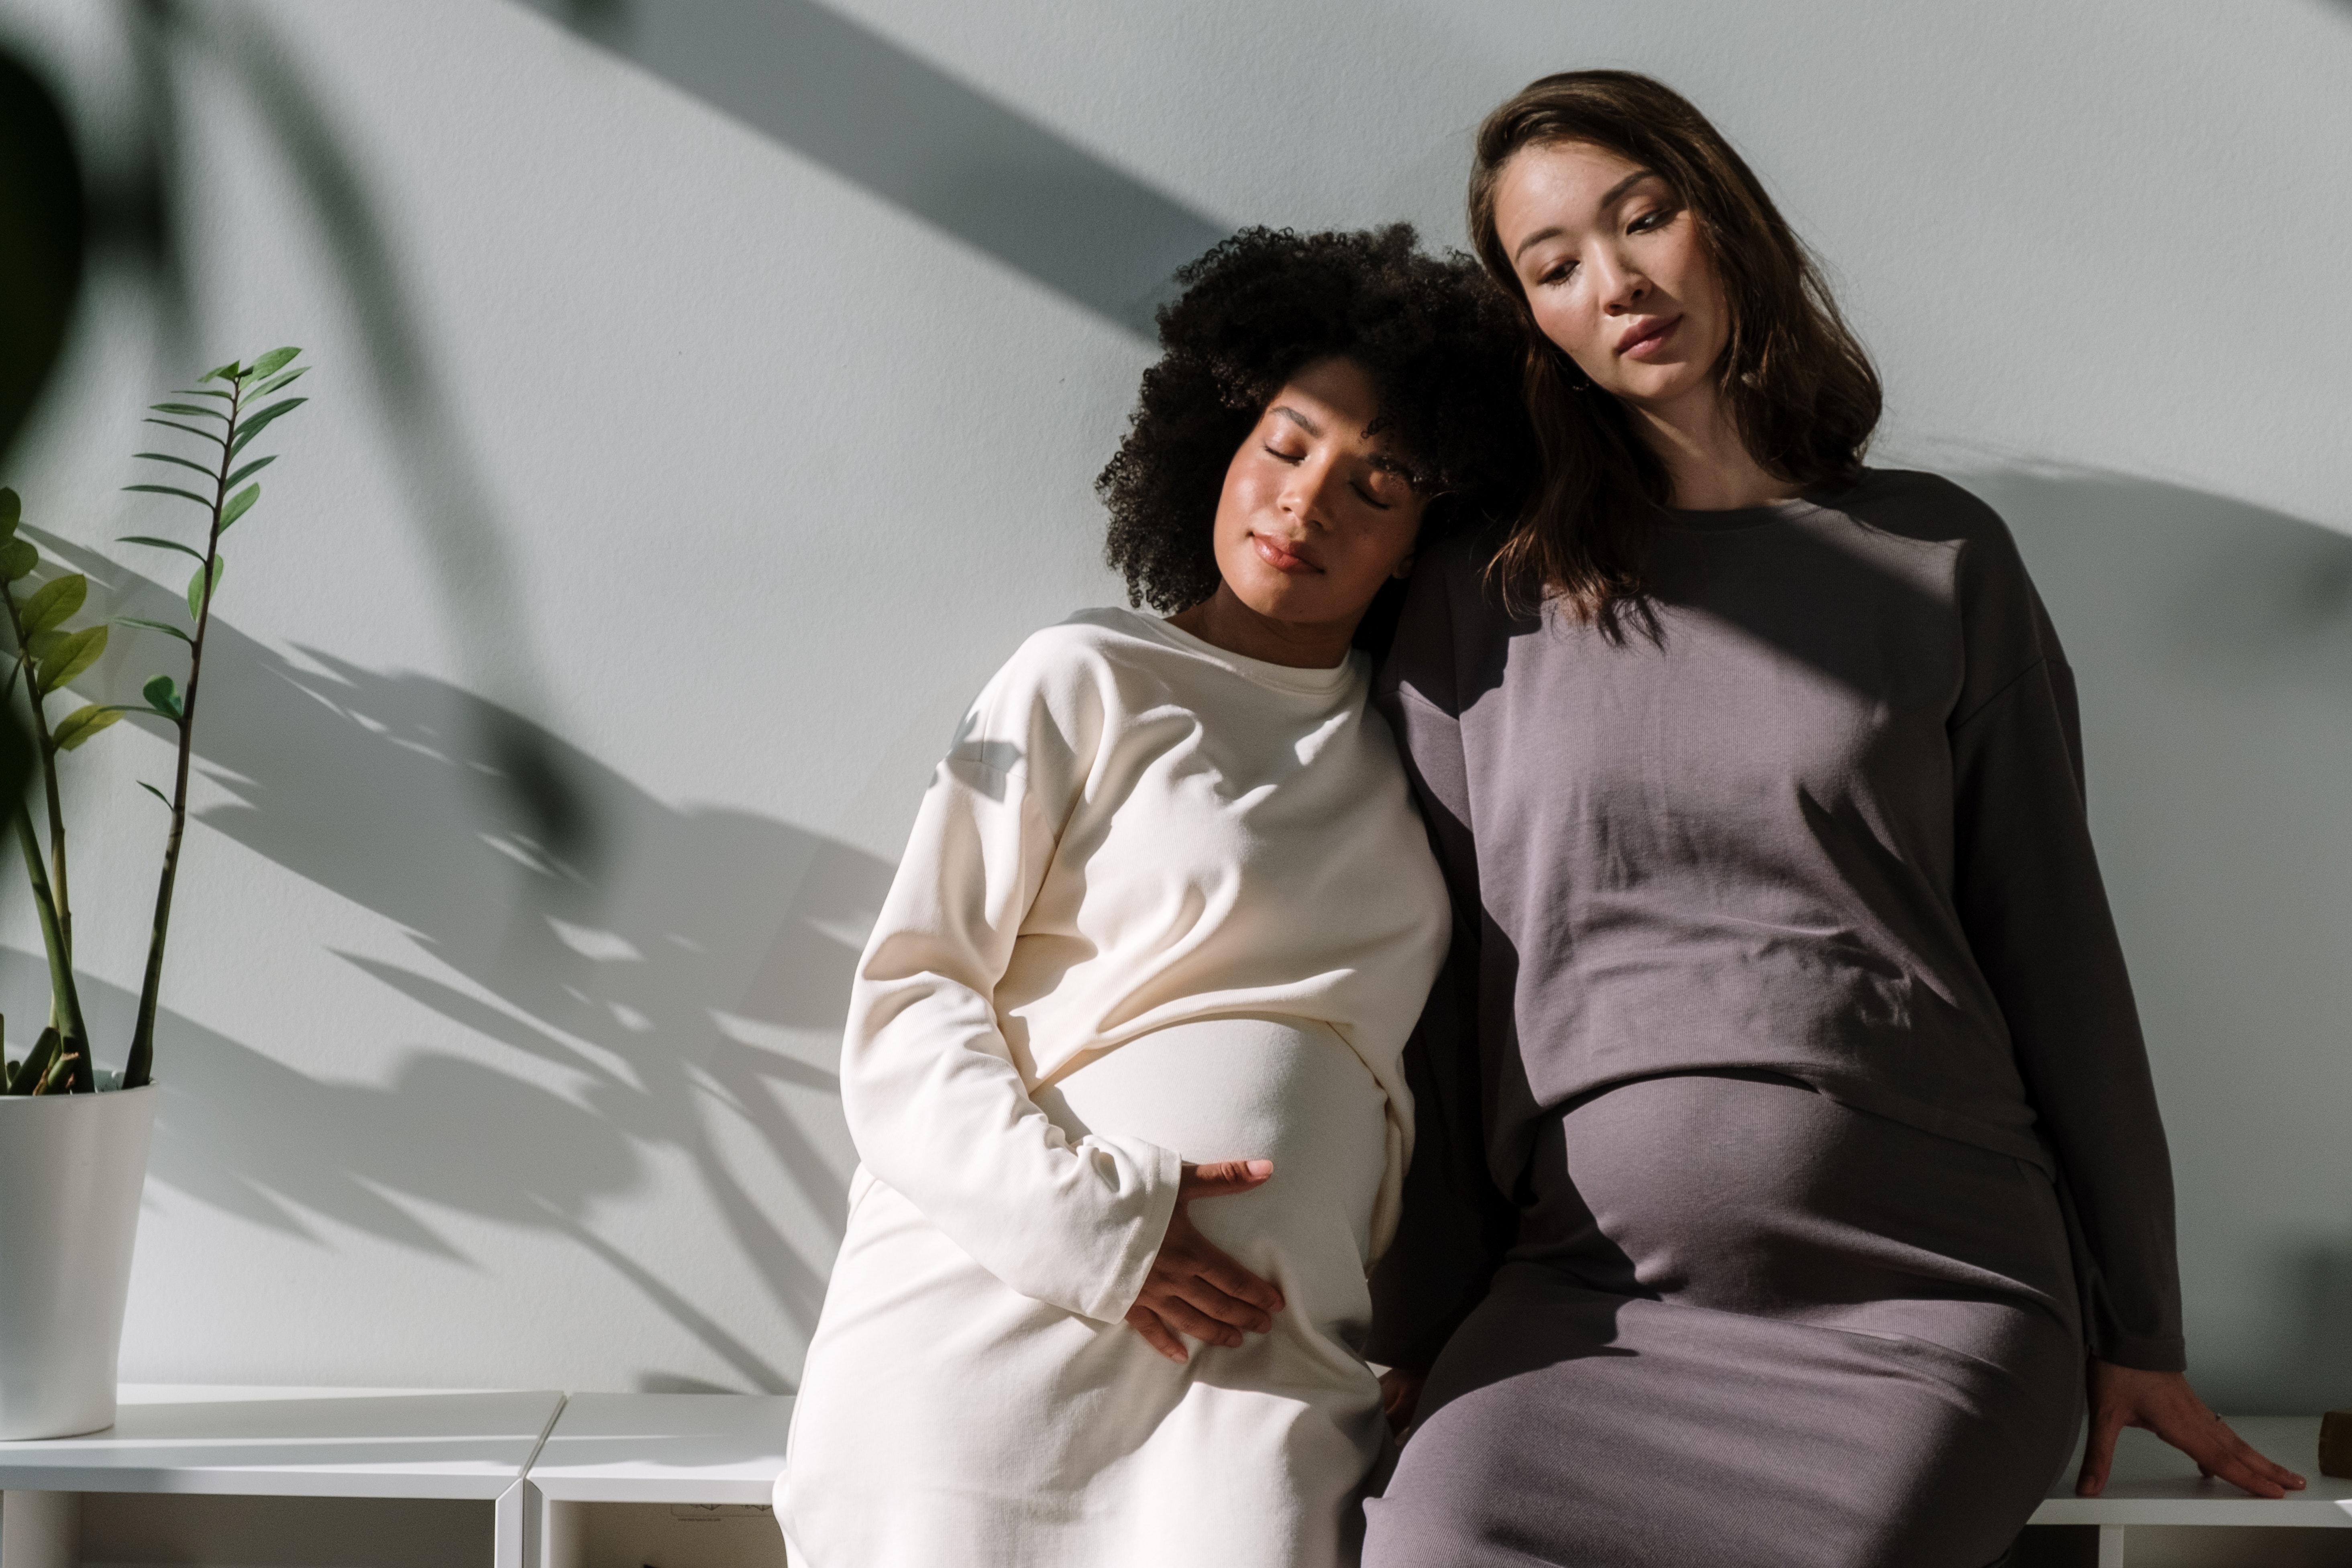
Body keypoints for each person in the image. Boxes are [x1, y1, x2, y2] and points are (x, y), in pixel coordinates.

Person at [1359, 71, 2305, 1568]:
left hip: (1928, 1299)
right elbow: (1439, 995)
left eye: (1641, 218)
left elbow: (2053, 948)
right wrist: (1419, 1324)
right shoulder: (1484, 597)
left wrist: (2140, 1325)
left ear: (1720, 220)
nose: (1615, 281)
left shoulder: (1934, 557)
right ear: (1532, 323)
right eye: (1554, 265)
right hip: (1584, 1307)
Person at [775, 225, 1531, 1568]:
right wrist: (1100, 1229)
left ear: (1424, 537)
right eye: (1286, 446)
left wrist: (1441, 1319)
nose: (1304, 505)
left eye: (1375, 485)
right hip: (1000, 1322)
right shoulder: (1084, 674)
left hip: (1264, 1367)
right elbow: (910, 999)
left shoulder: (1427, 748)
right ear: (1221, 445)